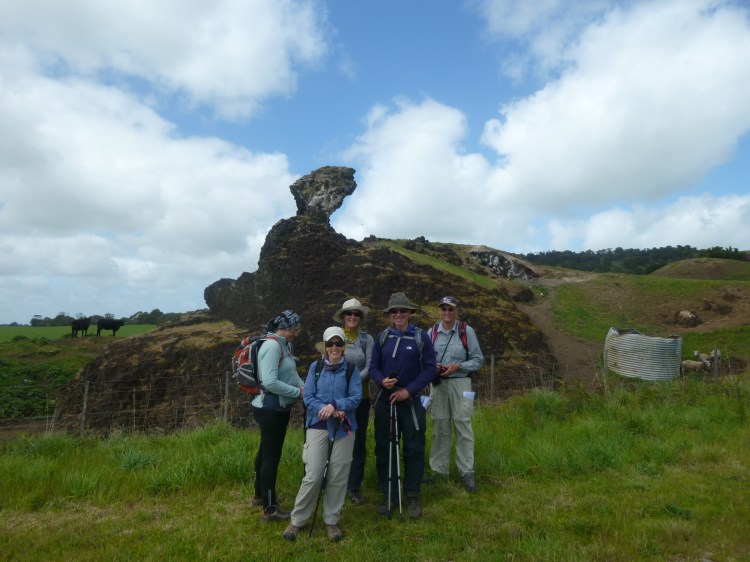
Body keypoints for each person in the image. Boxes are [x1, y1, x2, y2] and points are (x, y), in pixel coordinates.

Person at [282, 327, 362, 542]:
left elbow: (356, 397)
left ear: (344, 346)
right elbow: (308, 397)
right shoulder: (315, 368)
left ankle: (331, 521)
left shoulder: (351, 370)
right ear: (325, 346)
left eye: (338, 343)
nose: (334, 347)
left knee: (338, 476)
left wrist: (336, 405)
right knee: (314, 474)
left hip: (344, 428)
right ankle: (297, 520)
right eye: (330, 344)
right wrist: (326, 409)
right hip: (318, 424)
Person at [370, 292, 436, 520]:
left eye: (403, 311)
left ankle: (412, 494)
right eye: (394, 311)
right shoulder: (382, 337)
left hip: (412, 400)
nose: (398, 314)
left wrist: (408, 390)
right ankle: (390, 494)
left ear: (409, 313)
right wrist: (381, 381)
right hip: (386, 400)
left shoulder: (421, 338)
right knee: (385, 447)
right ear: (389, 315)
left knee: (414, 447)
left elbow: (430, 368)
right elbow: (373, 366)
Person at [251, 309, 304, 522]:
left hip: (273, 407)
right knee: (271, 457)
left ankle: (259, 495)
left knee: (265, 452)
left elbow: (292, 375)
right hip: (271, 408)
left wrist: (305, 388)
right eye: (294, 329)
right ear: (284, 327)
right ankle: (270, 509)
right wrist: (298, 393)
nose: (296, 333)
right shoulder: (273, 346)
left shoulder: (285, 345)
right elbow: (270, 382)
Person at [427, 296, 484, 492]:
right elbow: (424, 359)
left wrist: (459, 366)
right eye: (443, 309)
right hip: (439, 385)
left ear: (456, 311)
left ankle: (466, 472)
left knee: (463, 427)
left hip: (461, 383)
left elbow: (478, 360)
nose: (447, 313)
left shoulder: (466, 331)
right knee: (439, 427)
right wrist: (432, 367)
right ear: (439, 311)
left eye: (450, 309)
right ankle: (438, 471)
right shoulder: (432, 332)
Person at [332, 298, 374, 505]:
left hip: (360, 400)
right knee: (334, 438)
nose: (353, 317)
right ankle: (332, 482)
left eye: (357, 314)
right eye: (349, 313)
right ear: (343, 316)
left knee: (357, 442)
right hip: (336, 400)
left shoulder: (367, 340)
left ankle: (353, 486)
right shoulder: (334, 336)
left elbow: (370, 366)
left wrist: (353, 383)